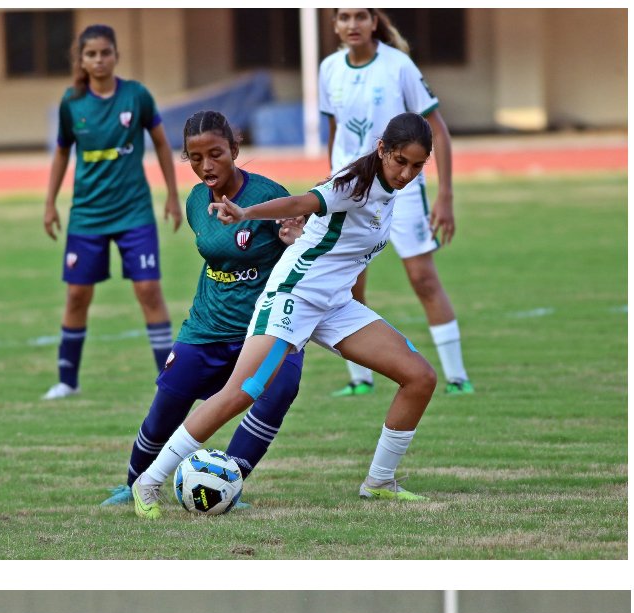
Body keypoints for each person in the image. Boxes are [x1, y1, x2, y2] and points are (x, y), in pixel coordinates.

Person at [132, 111, 438, 518]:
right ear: (382, 150)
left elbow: (326, 232)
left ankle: (379, 482)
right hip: (293, 297)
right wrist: (245, 213)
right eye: (401, 162)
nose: (407, 173)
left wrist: (303, 236)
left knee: (419, 377)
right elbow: (300, 202)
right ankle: (148, 482)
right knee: (240, 394)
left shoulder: (388, 190)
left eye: (417, 166)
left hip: (334, 304)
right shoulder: (352, 184)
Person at [100, 111, 305, 508]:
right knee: (167, 406)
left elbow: (305, 248)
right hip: (207, 326)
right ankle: (134, 485)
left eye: (215, 154)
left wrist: (293, 240)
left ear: (234, 149)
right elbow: (219, 258)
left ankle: (227, 483)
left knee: (279, 390)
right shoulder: (197, 201)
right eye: (195, 158)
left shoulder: (267, 196)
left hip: (264, 328)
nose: (206, 166)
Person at [320, 8, 473, 397]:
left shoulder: (398, 65)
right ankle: (360, 380)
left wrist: (446, 193)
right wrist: (329, 185)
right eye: (342, 17)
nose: (351, 24)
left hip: (401, 188)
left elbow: (437, 129)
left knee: (423, 278)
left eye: (360, 16)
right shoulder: (329, 69)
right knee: (348, 283)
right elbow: (334, 132)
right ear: (335, 24)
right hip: (350, 190)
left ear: (375, 21)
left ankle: (457, 378)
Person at [41, 23, 182, 399]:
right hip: (87, 215)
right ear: (81, 60)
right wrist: (50, 203)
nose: (99, 59)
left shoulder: (137, 96)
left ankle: (165, 381)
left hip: (134, 212)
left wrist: (172, 195)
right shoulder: (72, 103)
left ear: (116, 55)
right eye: (91, 54)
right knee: (76, 297)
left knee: (149, 290)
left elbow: (163, 145)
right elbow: (60, 153)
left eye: (106, 52)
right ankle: (67, 380)